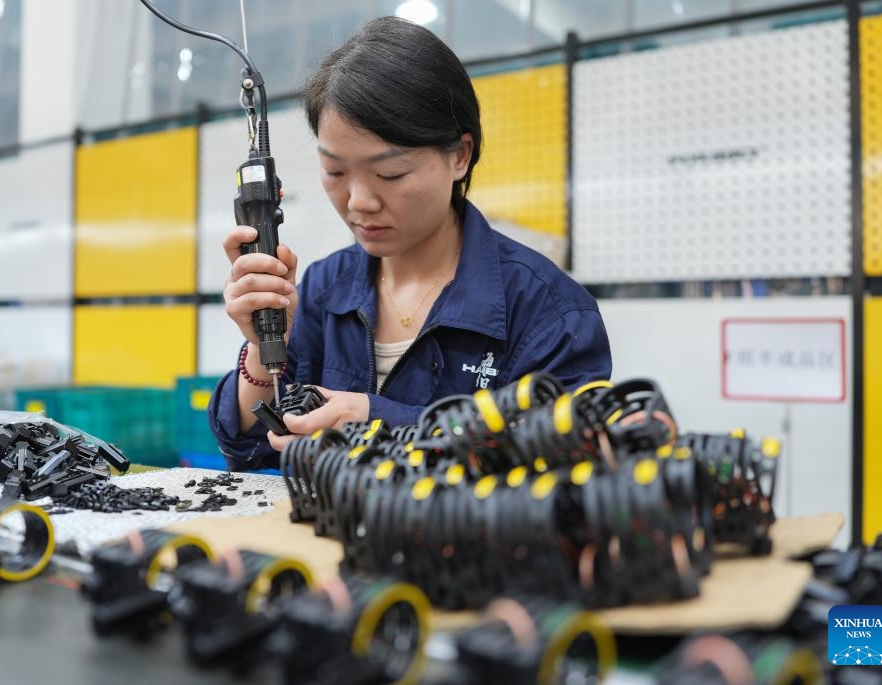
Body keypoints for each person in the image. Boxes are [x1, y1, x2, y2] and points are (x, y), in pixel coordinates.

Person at [208, 16, 611, 471]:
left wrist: (377, 421)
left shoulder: (549, 313)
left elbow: (564, 467)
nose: (359, 202)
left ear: (459, 156)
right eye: (335, 171)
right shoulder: (321, 289)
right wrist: (264, 347)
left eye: (390, 174)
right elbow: (249, 448)